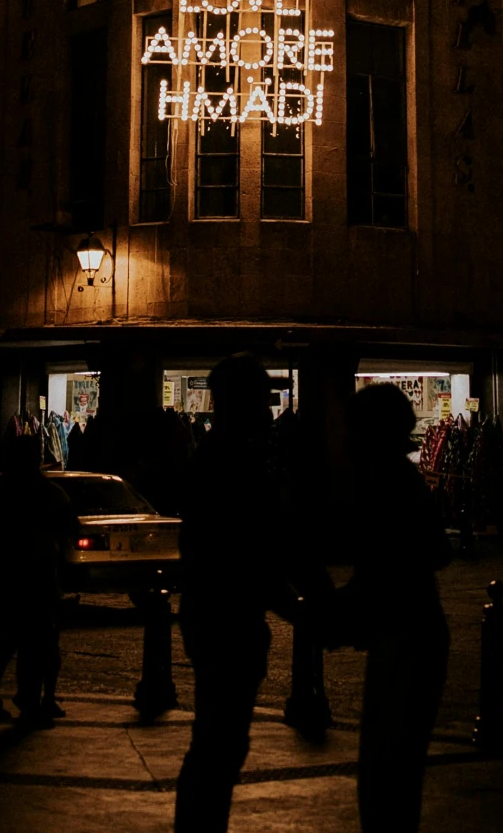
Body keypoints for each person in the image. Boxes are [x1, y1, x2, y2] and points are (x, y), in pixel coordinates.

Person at [174, 354, 302, 833]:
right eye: (261, 399)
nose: (269, 412)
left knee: (219, 744)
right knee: (218, 745)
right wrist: (300, 607)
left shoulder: (224, 455)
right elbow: (247, 552)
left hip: (218, 616)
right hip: (225, 620)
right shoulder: (231, 462)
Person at [342, 382, 450, 833]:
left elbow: (392, 564)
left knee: (387, 765)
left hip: (406, 636)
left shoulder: (387, 482)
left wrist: (339, 611)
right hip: (409, 630)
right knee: (394, 767)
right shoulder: (394, 479)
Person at [0, 427, 80, 722]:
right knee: (37, 641)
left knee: (5, 639)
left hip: (4, 576)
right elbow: (71, 528)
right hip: (39, 576)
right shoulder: (50, 494)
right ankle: (30, 700)